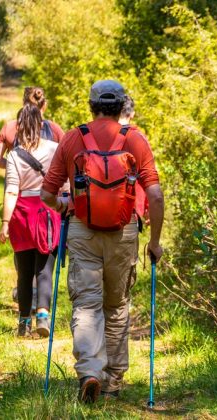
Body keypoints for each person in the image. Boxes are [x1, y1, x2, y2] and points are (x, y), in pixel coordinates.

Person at [41, 80, 164, 403]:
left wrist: (66, 205)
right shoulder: (134, 139)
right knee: (116, 305)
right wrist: (155, 241)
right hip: (124, 232)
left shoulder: (73, 137)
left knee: (86, 303)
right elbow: (155, 194)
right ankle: (112, 380)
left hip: (83, 230)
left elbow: (46, 195)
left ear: (92, 104)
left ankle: (90, 371)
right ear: (122, 104)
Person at [0, 88, 65, 338]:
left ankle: (23, 322)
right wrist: (64, 206)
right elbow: (64, 184)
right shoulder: (55, 148)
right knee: (44, 268)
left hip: (22, 214)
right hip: (47, 212)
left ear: (20, 126)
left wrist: (5, 222)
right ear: (41, 123)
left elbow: (12, 191)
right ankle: (43, 315)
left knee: (24, 271)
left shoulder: (15, 154)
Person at [0, 87, 64, 169]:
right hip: (47, 180)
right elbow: (67, 156)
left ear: (24, 104)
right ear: (44, 105)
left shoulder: (10, 127)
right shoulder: (54, 129)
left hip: (16, 180)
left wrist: (16, 166)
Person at [119, 95, 149, 227]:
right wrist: (148, 206)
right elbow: (147, 176)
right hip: (130, 210)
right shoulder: (138, 138)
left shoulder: (99, 135)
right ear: (132, 114)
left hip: (98, 209)